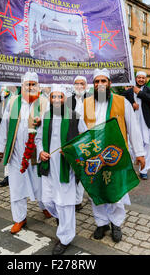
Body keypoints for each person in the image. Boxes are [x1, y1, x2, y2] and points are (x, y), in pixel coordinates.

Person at [80, 68, 146, 243]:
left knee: (116, 191)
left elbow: (133, 128)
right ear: (93, 85)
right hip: (93, 156)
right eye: (97, 82)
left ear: (109, 83)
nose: (100, 85)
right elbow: (79, 130)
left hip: (116, 155)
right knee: (97, 190)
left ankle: (116, 223)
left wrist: (139, 153)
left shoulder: (121, 102)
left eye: (103, 81)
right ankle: (101, 223)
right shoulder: (85, 103)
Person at [0, 72, 51, 234]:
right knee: (17, 186)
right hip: (16, 153)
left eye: (34, 84)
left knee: (41, 184)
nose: (31, 87)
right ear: (22, 86)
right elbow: (5, 126)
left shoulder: (45, 103)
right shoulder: (13, 102)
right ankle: (20, 218)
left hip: (37, 153)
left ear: (38, 86)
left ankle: (45, 207)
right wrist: (0, 148)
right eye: (28, 84)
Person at [36, 84, 86, 255]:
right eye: (53, 97)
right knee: (48, 200)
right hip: (49, 166)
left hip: (66, 167)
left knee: (65, 204)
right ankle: (63, 222)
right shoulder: (46, 116)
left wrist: (72, 151)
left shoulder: (75, 117)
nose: (56, 100)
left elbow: (85, 140)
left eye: (60, 97)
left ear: (65, 99)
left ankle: (65, 237)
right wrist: (40, 152)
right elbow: (38, 138)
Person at [122, 71, 150, 180]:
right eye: (139, 78)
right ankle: (133, 165)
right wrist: (131, 104)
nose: (141, 80)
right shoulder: (128, 91)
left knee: (146, 145)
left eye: (143, 78)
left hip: (146, 122)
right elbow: (120, 100)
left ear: (146, 79)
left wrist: (139, 92)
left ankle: (144, 170)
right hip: (132, 122)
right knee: (131, 144)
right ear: (136, 78)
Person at [67, 75, 91, 211]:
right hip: (72, 137)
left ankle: (78, 200)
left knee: (82, 169)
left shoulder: (92, 99)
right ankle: (71, 197)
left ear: (86, 85)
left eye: (82, 83)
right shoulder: (68, 100)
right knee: (72, 169)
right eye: (77, 83)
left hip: (87, 138)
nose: (79, 86)